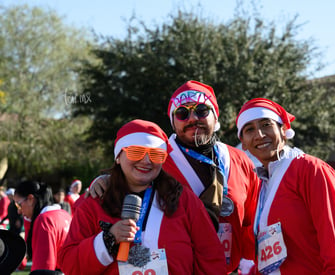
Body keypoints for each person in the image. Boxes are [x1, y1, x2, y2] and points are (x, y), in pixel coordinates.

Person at [89, 81, 260, 274]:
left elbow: (251, 223)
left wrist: (249, 263)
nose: (193, 118)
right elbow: (128, 171)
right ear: (173, 121)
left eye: (202, 110)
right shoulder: (157, 160)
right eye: (182, 113)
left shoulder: (240, 160)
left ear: (215, 115)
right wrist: (106, 179)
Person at [58, 119, 226, 275]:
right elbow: (69, 264)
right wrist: (107, 240)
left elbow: (211, 257)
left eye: (156, 155)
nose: (146, 161)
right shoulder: (95, 201)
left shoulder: (183, 199)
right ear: (118, 157)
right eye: (136, 152)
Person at [236, 98, 335, 274]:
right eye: (249, 129)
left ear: (283, 130)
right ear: (243, 142)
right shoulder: (261, 183)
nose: (259, 134)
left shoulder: (311, 170)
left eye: (266, 124)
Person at [13, 180, 72, 273]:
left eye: (18, 205)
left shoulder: (45, 220)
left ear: (30, 199)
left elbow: (44, 267)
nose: (19, 211)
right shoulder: (64, 214)